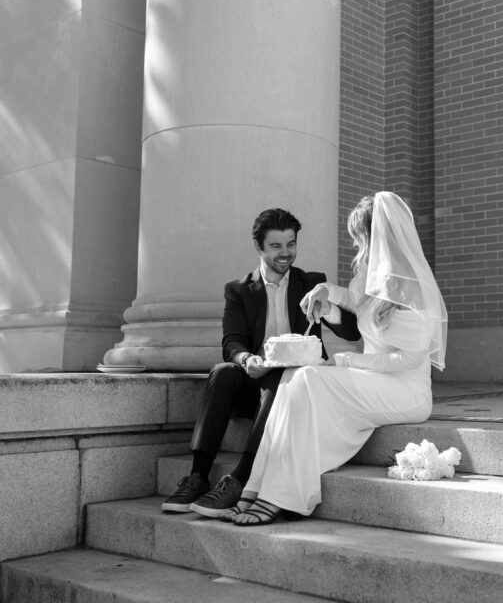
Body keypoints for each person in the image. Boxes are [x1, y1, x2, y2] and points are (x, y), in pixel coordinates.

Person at [224, 190, 448, 525]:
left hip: (406, 390)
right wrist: (326, 292)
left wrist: (348, 361)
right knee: (294, 376)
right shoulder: (371, 274)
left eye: (360, 239)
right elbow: (354, 301)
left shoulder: (413, 288)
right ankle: (258, 486)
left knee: (311, 377)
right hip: (374, 379)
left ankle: (282, 496)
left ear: (378, 239)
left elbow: (407, 361)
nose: (357, 247)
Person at [161, 206, 360, 517]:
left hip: (294, 386)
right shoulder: (239, 290)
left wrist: (330, 309)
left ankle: (240, 478)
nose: (286, 253)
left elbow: (351, 332)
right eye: (276, 246)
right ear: (258, 247)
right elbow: (231, 343)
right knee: (222, 372)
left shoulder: (312, 283)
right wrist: (246, 359)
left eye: (291, 244)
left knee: (284, 378)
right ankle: (198, 475)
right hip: (255, 379)